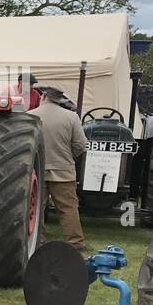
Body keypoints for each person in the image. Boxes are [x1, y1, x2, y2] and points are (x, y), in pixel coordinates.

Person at [30, 78, 88, 251]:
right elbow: (81, 145)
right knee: (68, 209)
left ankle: (37, 242)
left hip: (36, 172)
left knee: (36, 209)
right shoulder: (71, 117)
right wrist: (68, 157)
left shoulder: (30, 116)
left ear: (43, 96)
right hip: (64, 171)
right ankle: (75, 243)